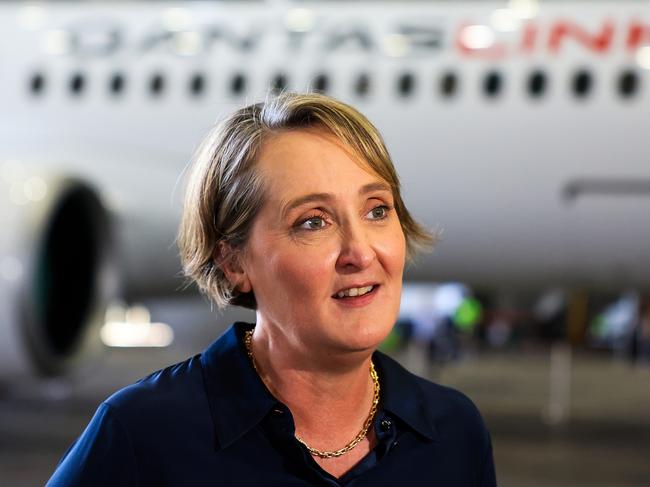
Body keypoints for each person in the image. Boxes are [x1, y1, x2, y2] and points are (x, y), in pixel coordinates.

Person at [47, 93, 497, 486]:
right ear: (234, 262)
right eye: (312, 222)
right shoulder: (142, 432)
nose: (360, 253)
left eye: (377, 210)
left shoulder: (454, 432)